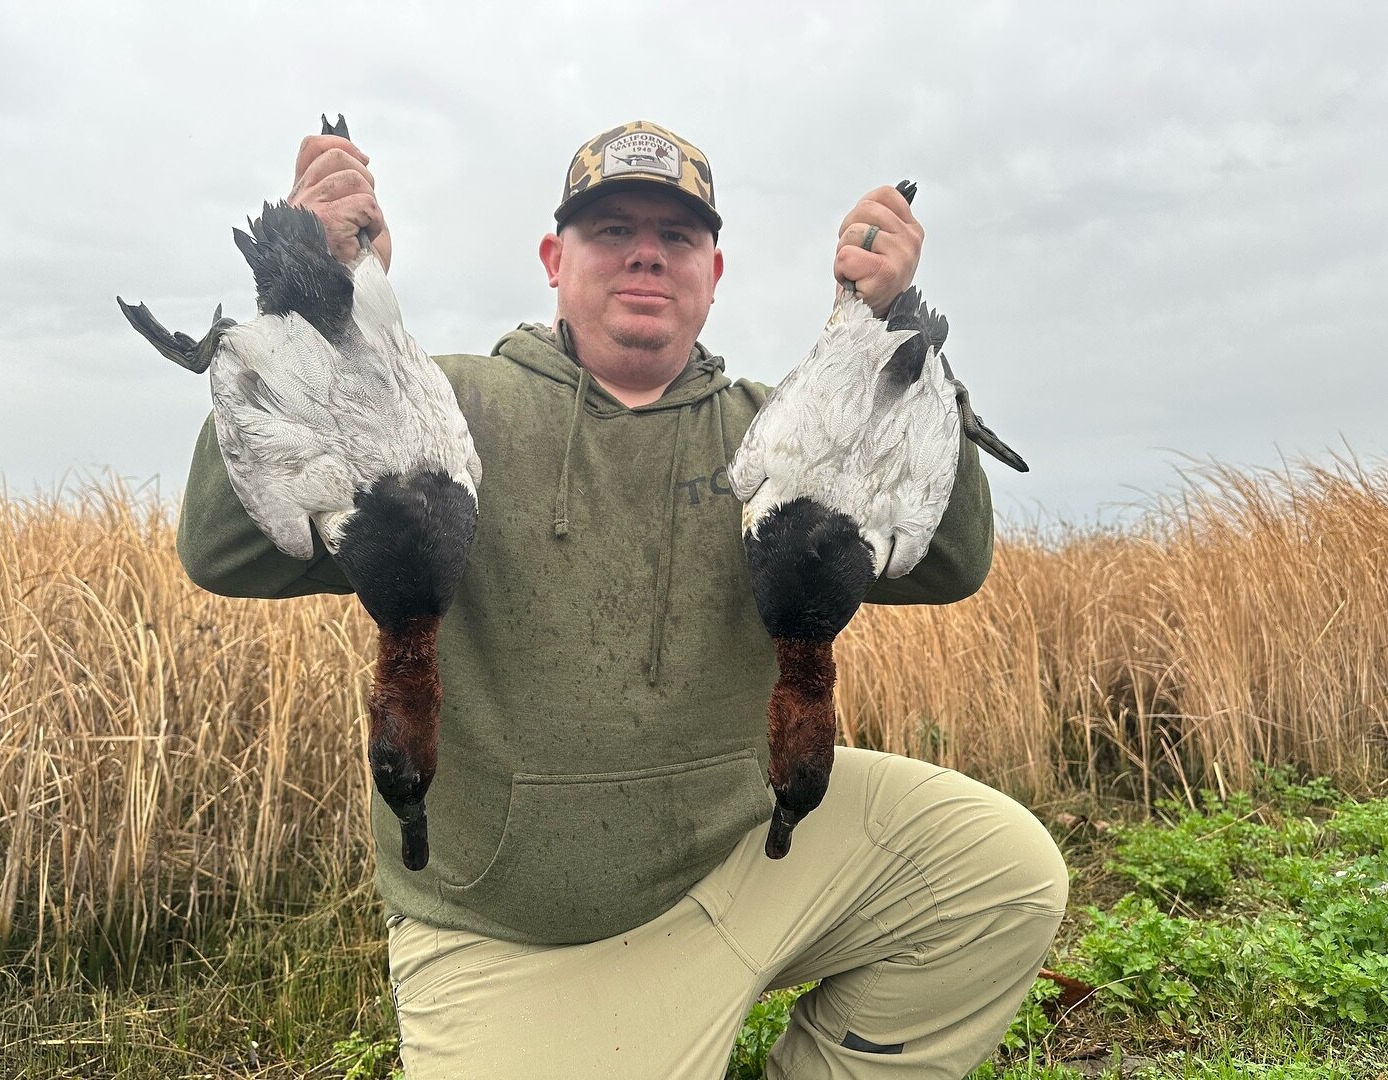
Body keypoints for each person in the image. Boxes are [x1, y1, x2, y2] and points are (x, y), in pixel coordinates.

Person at [177, 120, 1068, 1079]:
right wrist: (314, 308)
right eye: (612, 231)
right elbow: (226, 550)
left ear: (713, 274)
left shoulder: (786, 436)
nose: (647, 252)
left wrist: (897, 343)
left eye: (677, 236)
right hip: (519, 934)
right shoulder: (448, 409)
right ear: (555, 260)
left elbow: (954, 562)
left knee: (1005, 878)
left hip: (747, 856)